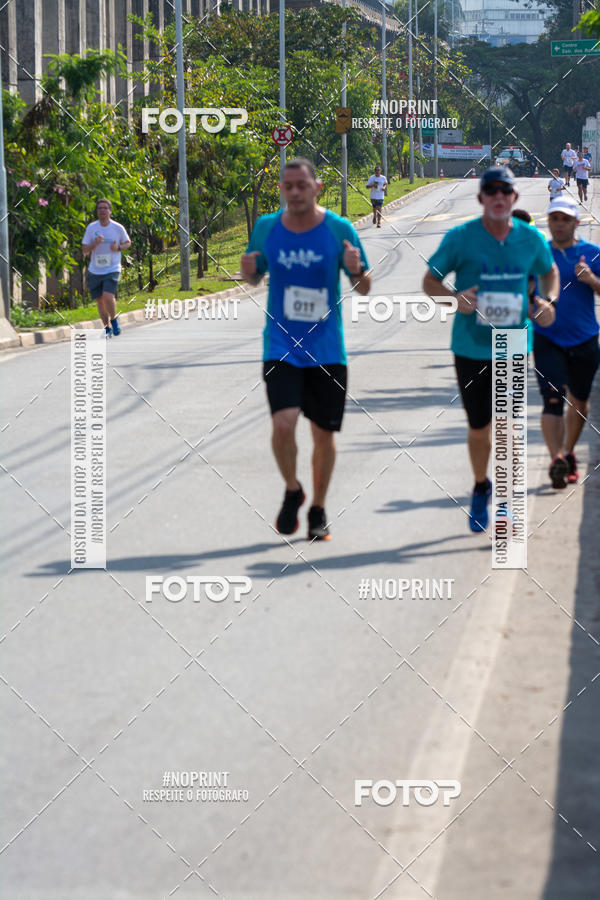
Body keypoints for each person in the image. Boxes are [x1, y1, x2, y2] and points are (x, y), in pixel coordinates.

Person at [241, 158, 371, 541]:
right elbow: (253, 277)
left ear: (317, 187)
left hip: (326, 349)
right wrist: (247, 268)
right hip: (280, 345)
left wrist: (356, 269)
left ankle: (318, 509)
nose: (295, 192)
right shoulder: (266, 227)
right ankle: (292, 488)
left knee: (323, 435)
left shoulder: (339, 229)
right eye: (288, 186)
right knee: (283, 424)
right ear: (281, 189)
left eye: (302, 185)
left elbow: (364, 286)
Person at [422, 167, 559, 532]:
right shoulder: (460, 238)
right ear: (481, 197)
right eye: (492, 190)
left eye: (505, 190)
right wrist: (455, 300)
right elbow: (430, 281)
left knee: (507, 425)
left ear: (514, 197)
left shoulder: (530, 238)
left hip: (512, 343)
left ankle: (506, 502)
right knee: (479, 427)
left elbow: (549, 272)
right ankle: (481, 485)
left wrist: (548, 300)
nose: (499, 196)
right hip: (470, 346)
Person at [532, 196, 600, 488]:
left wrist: (591, 280)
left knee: (580, 403)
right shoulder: (539, 255)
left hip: (585, 338)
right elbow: (523, 290)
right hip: (547, 338)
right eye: (554, 219)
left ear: (576, 223)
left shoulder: (592, 253)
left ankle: (569, 452)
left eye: (565, 219)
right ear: (549, 222)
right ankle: (556, 459)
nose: (559, 224)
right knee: (552, 398)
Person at [82, 199, 131, 337]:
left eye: (105, 208)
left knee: (108, 296)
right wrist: (95, 244)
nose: (102, 211)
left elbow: (127, 242)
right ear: (97, 212)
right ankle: (107, 327)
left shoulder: (117, 228)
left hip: (112, 268)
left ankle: (114, 320)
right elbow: (84, 249)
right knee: (100, 300)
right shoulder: (91, 228)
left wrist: (118, 247)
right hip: (95, 269)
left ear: (110, 211)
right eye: (99, 208)